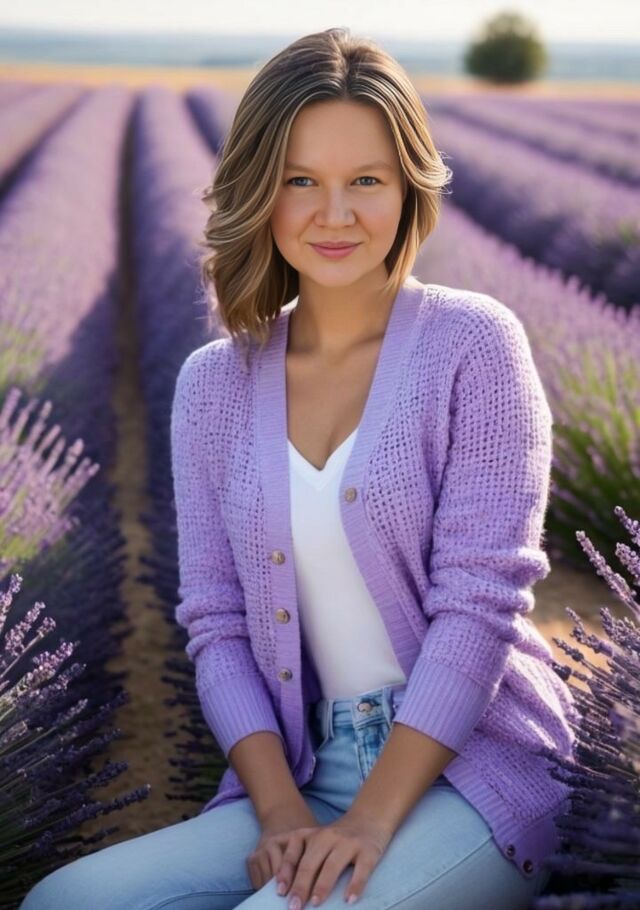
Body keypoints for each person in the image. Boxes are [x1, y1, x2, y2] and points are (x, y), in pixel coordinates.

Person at [20, 26, 578, 910]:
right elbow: (216, 623)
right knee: (67, 901)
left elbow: (482, 606)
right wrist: (279, 811)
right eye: (300, 181)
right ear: (259, 191)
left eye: (367, 180)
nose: (336, 214)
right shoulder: (213, 383)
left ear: (409, 187)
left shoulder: (475, 346)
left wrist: (370, 823)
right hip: (308, 770)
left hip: (470, 771)